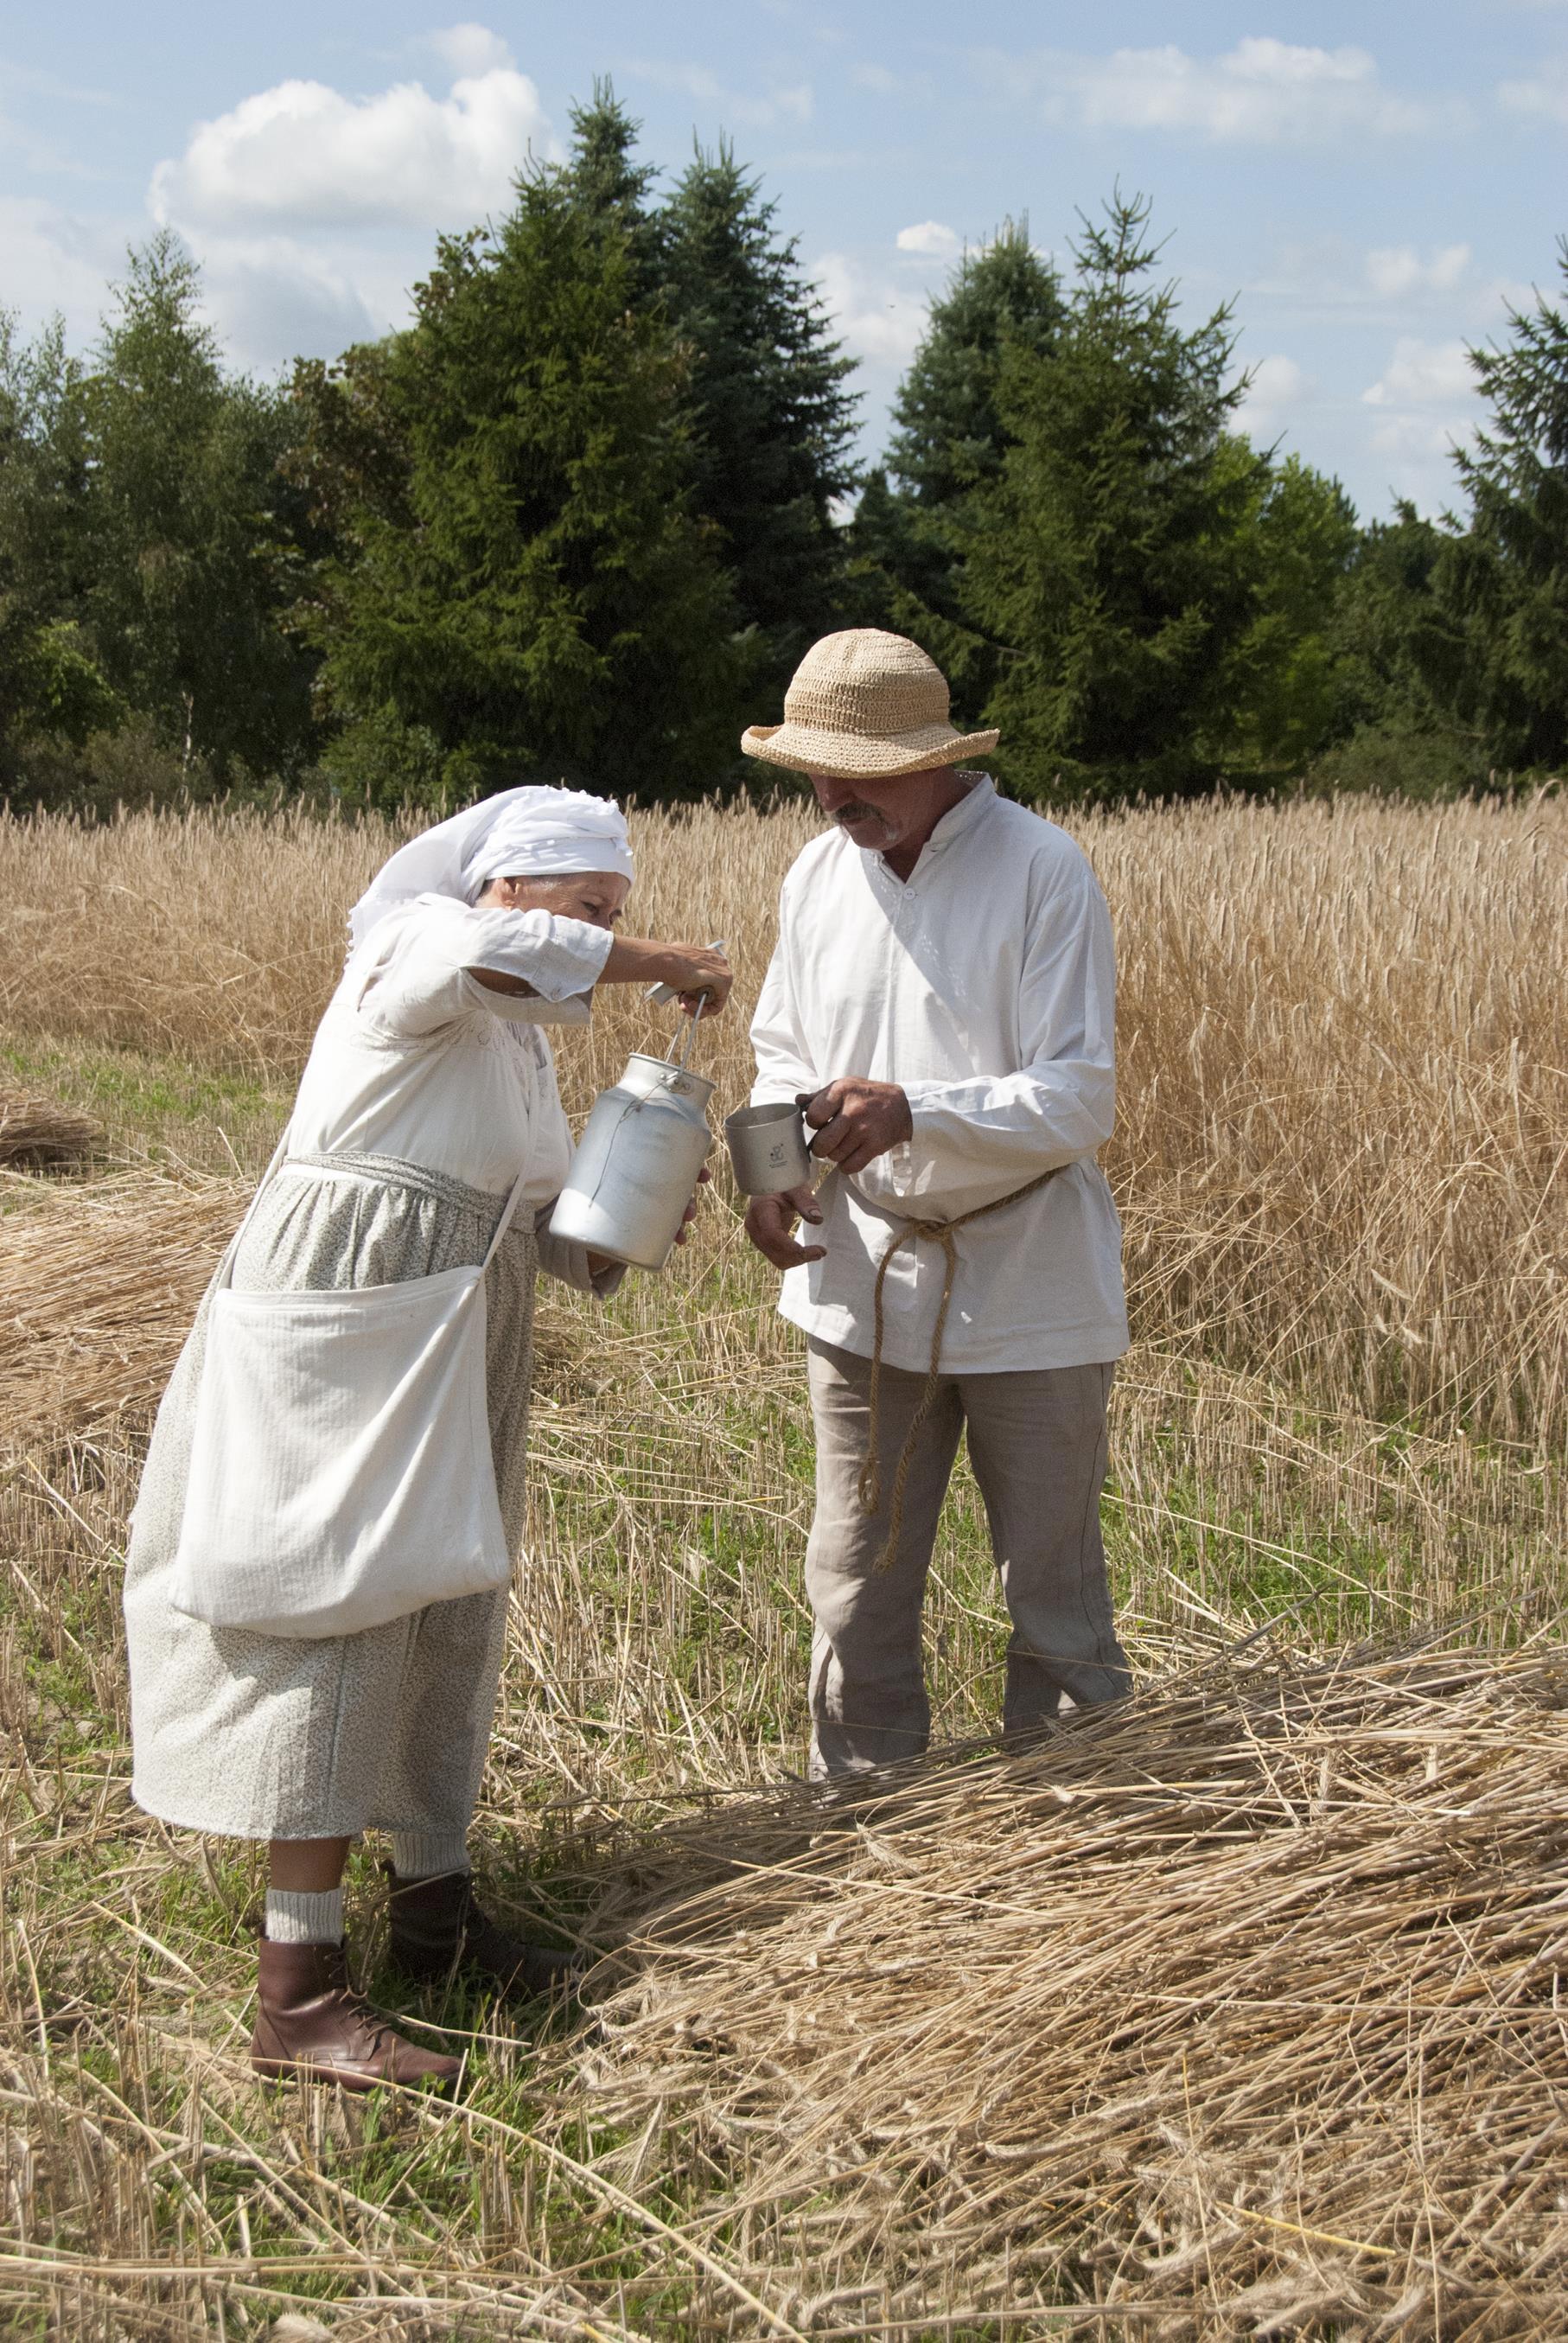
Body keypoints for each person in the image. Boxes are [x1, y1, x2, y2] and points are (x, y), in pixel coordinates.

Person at [124, 786, 731, 2091]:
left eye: (617, 915)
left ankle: (435, 1914)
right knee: (339, 1599)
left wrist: (616, 1224)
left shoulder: (513, 1042)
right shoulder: (418, 947)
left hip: (453, 1315)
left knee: (448, 1591)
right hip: (355, 1301)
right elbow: (488, 958)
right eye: (589, 908)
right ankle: (298, 1993)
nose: (607, 937)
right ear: (503, 889)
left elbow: (525, 1207)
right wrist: (667, 961)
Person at [742, 629, 1131, 1779]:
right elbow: (778, 1052)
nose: (834, 795)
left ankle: (1078, 1832)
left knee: (1052, 1591)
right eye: (815, 771)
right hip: (860, 1276)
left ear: (935, 756)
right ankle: (863, 1825)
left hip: (1030, 1277)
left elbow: (1079, 1096)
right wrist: (774, 1171)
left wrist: (919, 1111)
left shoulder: (1041, 867)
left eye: (858, 770)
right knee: (853, 1578)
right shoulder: (816, 874)